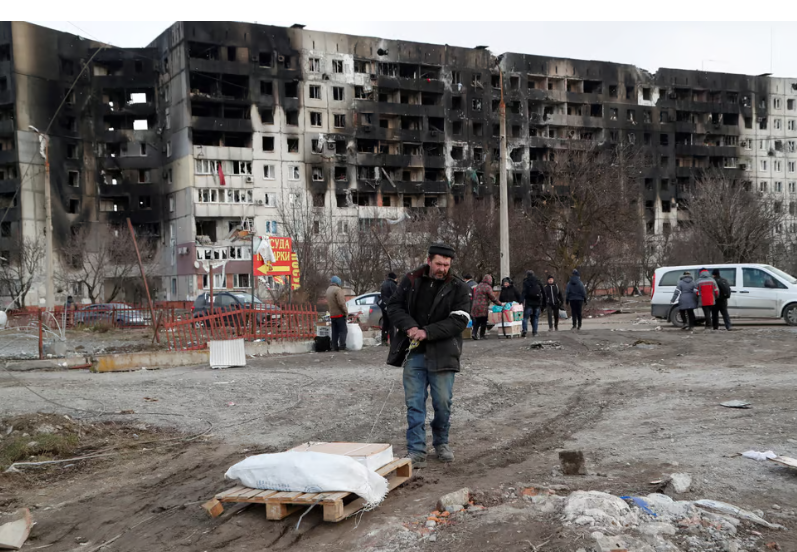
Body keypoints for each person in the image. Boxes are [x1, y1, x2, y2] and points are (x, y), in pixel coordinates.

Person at [386, 243, 471, 468]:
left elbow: (459, 320)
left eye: (446, 264)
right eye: (438, 263)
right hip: (414, 352)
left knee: (443, 403)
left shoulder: (458, 287)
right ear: (429, 260)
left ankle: (441, 442)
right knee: (414, 403)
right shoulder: (411, 280)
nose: (442, 268)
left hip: (444, 352)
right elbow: (394, 307)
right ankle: (416, 449)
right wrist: (410, 327)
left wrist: (428, 332)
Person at [470, 275, 502, 340]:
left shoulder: (479, 285)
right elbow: (492, 297)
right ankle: (482, 335)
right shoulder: (487, 287)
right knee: (483, 321)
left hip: (475, 306)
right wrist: (500, 304)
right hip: (483, 307)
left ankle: (474, 333)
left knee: (477, 321)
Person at [326, 276, 348, 351]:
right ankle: (342, 346)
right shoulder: (338, 290)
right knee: (343, 330)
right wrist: (345, 312)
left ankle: (334, 346)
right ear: (338, 282)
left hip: (332, 314)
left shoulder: (328, 290)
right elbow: (341, 303)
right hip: (339, 314)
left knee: (334, 331)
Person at [521, 270, 544, 337]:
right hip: (537, 303)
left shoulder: (526, 282)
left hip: (529, 303)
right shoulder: (538, 281)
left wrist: (521, 301)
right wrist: (543, 304)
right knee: (535, 318)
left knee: (525, 317)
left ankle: (524, 329)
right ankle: (535, 332)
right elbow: (543, 292)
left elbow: (524, 292)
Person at [378, 272, 398, 345]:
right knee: (392, 324)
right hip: (390, 306)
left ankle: (384, 340)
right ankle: (393, 341)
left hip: (384, 306)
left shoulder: (384, 283)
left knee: (385, 324)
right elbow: (395, 296)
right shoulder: (392, 284)